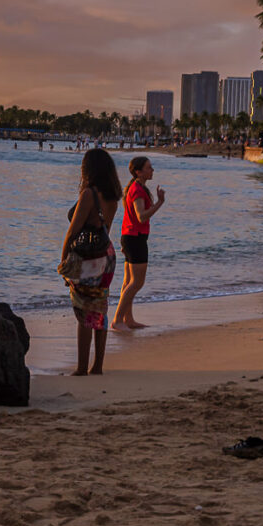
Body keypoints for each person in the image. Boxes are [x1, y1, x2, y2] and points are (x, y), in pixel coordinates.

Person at [57, 148, 121, 375]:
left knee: (84, 312)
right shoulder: (113, 196)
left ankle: (82, 367)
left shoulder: (88, 195)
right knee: (100, 309)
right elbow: (106, 230)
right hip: (107, 255)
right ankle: (98, 366)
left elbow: (72, 231)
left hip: (87, 259)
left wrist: (63, 261)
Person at [110, 155, 163, 330]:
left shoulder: (137, 187)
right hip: (135, 238)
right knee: (137, 283)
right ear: (138, 172)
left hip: (131, 236)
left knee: (128, 282)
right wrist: (160, 203)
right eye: (148, 167)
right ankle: (117, 320)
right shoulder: (137, 190)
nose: (152, 170)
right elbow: (141, 216)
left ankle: (128, 319)